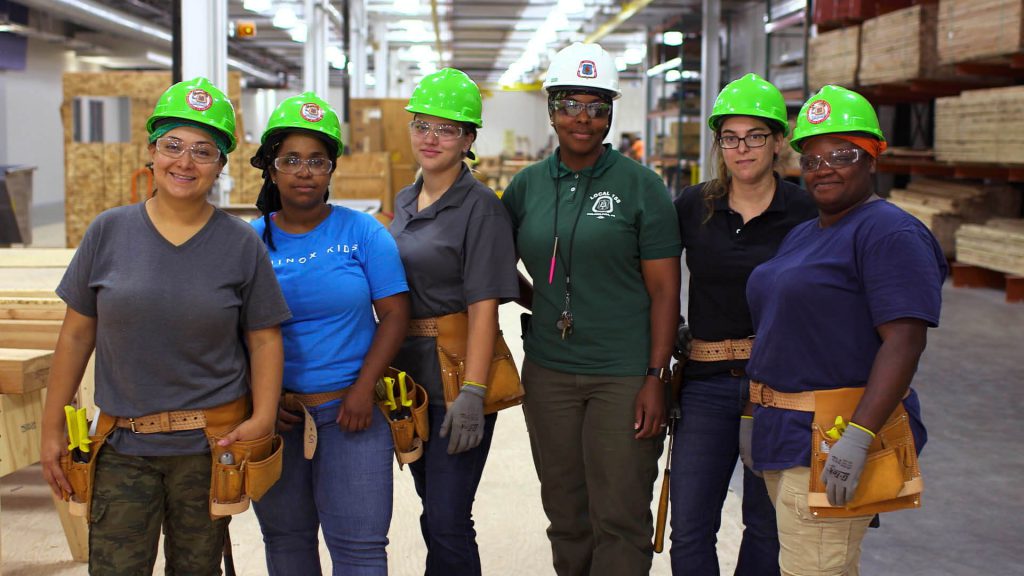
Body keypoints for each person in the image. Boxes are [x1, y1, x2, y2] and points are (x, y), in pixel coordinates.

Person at [39, 76, 291, 574]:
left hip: (208, 448)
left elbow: (264, 339)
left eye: (203, 151)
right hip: (122, 446)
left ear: (221, 165)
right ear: (151, 151)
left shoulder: (241, 244)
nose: (185, 162)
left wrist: (262, 417)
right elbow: (75, 335)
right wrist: (51, 429)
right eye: (173, 145)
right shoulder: (108, 231)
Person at [743, 85, 946, 575]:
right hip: (783, 433)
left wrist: (858, 437)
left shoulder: (890, 233)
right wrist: (754, 411)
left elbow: (905, 341)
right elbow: (778, 330)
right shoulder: (805, 233)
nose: (824, 168)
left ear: (873, 157)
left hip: (830, 436)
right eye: (812, 159)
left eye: (842, 154)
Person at [501, 42, 682, 576]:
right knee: (565, 513)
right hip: (549, 373)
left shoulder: (642, 187)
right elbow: (495, 266)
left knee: (620, 513)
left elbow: (665, 291)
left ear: (610, 115)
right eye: (570, 104)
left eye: (596, 107)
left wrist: (655, 375)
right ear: (551, 109)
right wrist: (542, 301)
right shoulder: (527, 186)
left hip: (624, 375)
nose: (583, 118)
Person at [248, 92, 410, 575]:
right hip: (278, 419)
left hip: (352, 414)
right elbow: (231, 328)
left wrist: (363, 389)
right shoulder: (250, 240)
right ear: (272, 168)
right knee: (286, 542)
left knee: (360, 548)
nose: (304, 172)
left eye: (317, 160)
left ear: (332, 168)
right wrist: (260, 399)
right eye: (291, 160)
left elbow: (395, 315)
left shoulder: (363, 232)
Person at [669, 73, 817, 575]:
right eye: (730, 138)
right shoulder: (693, 205)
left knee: (767, 526)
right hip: (706, 385)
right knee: (690, 526)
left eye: (755, 136)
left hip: (780, 388)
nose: (742, 149)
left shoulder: (805, 211)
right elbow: (653, 276)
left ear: (778, 142)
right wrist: (672, 333)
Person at [388, 68, 519, 576]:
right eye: (422, 125)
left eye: (446, 129)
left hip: (457, 375)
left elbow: (485, 307)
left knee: (447, 518)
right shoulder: (405, 200)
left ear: (468, 140)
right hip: (411, 379)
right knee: (432, 512)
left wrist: (474, 392)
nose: (431, 137)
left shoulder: (481, 209)